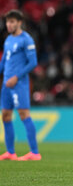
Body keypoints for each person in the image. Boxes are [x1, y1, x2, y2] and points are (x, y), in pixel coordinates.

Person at [0, 10, 41, 161]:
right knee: (5, 116)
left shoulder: (27, 40)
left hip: (19, 84)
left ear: (19, 22)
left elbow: (33, 63)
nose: (8, 25)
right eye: (7, 22)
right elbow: (4, 61)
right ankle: (10, 152)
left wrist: (16, 77)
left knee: (24, 115)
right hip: (6, 84)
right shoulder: (8, 40)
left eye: (11, 22)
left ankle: (34, 153)